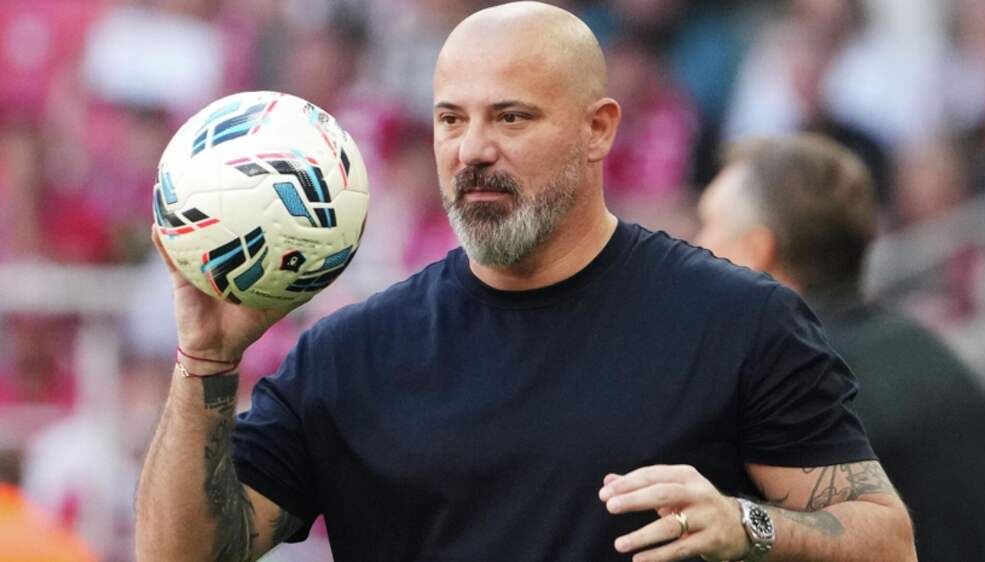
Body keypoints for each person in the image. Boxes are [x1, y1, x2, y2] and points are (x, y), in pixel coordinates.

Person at [135, 3, 916, 561]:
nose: (472, 149)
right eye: (451, 119)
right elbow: (180, 554)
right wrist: (206, 359)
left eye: (510, 117)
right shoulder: (349, 354)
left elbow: (887, 538)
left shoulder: (739, 320)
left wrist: (749, 527)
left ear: (598, 129)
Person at [695, 132, 985, 562]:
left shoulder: (790, 384)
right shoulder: (923, 345)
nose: (695, 244)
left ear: (757, 251)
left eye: (707, 223)